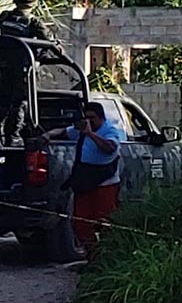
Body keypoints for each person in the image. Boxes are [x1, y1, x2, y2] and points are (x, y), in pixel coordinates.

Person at [41, 102, 123, 260]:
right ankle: (92, 256)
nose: (88, 121)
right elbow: (63, 131)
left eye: (92, 118)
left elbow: (110, 148)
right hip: (85, 182)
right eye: (86, 118)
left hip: (105, 184)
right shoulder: (82, 130)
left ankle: (107, 258)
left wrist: (90, 134)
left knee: (105, 222)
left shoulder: (109, 130)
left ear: (101, 118)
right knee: (81, 223)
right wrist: (48, 135)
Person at [0, 0, 53, 146]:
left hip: (4, 66)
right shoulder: (33, 22)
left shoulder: (4, 17)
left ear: (15, 0)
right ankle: (13, 136)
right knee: (20, 102)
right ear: (34, 3)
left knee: (4, 100)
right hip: (22, 68)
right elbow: (49, 42)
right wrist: (41, 54)